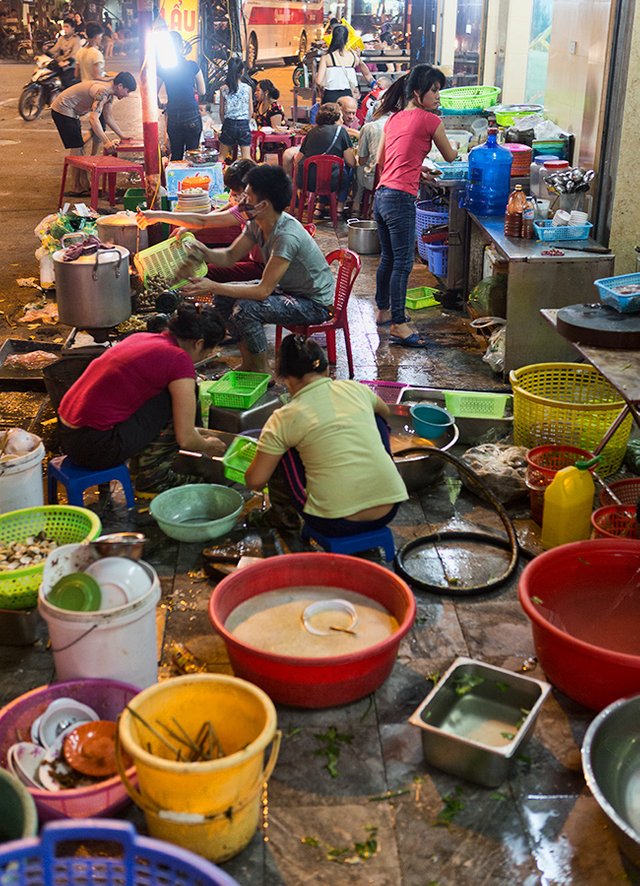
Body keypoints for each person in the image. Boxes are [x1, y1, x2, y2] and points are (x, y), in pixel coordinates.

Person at [245, 334, 408, 534]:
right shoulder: (355, 388)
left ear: (286, 379)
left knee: (282, 449)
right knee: (376, 418)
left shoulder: (283, 417)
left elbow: (255, 481)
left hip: (334, 521)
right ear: (327, 369)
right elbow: (385, 413)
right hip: (389, 509)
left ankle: (282, 517)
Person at [180, 164, 335, 374]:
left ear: (263, 205)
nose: (241, 201)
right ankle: (249, 361)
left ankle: (261, 368)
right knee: (224, 299)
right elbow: (229, 256)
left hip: (314, 302)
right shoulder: (257, 222)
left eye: (247, 197)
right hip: (287, 289)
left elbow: (263, 291)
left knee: (246, 308)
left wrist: (213, 285)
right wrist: (203, 252)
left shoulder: (286, 236)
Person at [57, 304, 227, 493]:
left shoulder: (143, 338)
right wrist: (208, 445)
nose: (207, 355)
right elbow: (186, 439)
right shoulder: (178, 359)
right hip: (96, 448)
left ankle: (142, 467)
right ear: (199, 343)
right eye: (208, 350)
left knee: (169, 393)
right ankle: (154, 478)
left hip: (68, 435)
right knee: (178, 395)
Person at [373, 64, 457, 348]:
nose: (438, 96)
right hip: (400, 199)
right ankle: (399, 323)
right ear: (419, 92)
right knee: (403, 263)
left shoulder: (394, 118)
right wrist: (457, 147)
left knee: (387, 258)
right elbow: (448, 156)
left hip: (382, 195)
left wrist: (415, 170)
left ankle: (383, 310)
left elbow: (381, 160)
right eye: (434, 90)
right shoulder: (429, 120)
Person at [51, 71, 136, 195]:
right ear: (120, 86)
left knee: (80, 148)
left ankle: (85, 185)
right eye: (128, 91)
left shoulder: (109, 95)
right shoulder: (102, 92)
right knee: (77, 149)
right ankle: (77, 187)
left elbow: (108, 117)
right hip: (62, 110)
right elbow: (93, 118)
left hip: (72, 112)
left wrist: (121, 135)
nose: (127, 95)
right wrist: (106, 141)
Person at [294, 102, 356, 218]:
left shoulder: (311, 132)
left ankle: (319, 207)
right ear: (337, 116)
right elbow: (351, 162)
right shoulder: (341, 131)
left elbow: (298, 160)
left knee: (324, 170)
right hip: (332, 182)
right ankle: (339, 209)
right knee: (347, 170)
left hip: (307, 182)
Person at [157, 31, 206, 161]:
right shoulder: (192, 65)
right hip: (191, 115)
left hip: (174, 116)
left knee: (177, 155)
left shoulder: (164, 68)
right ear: (181, 46)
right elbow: (202, 91)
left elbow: (153, 90)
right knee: (193, 156)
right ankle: (192, 181)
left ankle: (175, 181)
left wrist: (160, 103)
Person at [315, 23, 374, 103]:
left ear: (333, 38)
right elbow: (366, 72)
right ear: (347, 39)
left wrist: (321, 91)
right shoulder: (354, 55)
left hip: (330, 95)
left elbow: (319, 81)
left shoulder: (327, 57)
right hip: (349, 94)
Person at [352, 105, 390, 215]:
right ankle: (371, 205)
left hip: (374, 180)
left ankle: (356, 204)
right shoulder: (399, 125)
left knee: (359, 166)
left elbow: (362, 159)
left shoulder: (369, 127)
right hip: (394, 177)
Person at [219, 56, 253, 161]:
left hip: (229, 123)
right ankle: (248, 176)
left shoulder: (223, 89)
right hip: (243, 124)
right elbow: (250, 110)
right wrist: (245, 122)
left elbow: (221, 111)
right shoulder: (247, 88)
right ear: (242, 71)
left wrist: (225, 123)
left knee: (222, 157)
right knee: (246, 158)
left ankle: (219, 175)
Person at [50, 17, 81, 87]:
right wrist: (43, 56)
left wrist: (66, 62)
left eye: (67, 27)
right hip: (61, 64)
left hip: (71, 66)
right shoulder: (61, 38)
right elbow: (55, 49)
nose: (64, 29)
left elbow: (75, 55)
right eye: (64, 26)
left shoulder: (76, 39)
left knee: (65, 81)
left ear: (73, 28)